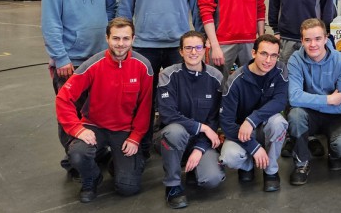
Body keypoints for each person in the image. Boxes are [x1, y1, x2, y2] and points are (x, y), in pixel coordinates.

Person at [118, 0, 202, 158]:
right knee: (143, 100)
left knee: (184, 98)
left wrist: (199, 39)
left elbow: (196, 6)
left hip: (179, 46)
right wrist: (123, 44)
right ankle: (141, 146)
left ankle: (184, 144)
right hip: (145, 46)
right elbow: (124, 8)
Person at [41, 0, 117, 176]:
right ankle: (74, 158)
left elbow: (111, 13)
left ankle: (97, 151)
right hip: (70, 62)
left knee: (97, 109)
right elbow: (50, 23)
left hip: (100, 60)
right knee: (71, 113)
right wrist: (61, 57)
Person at [55, 18, 153, 203]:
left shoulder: (143, 66)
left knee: (128, 188)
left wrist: (136, 137)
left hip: (124, 130)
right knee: (77, 153)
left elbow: (145, 106)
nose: (121, 44)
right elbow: (63, 98)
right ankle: (91, 178)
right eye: (116, 38)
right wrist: (78, 129)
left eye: (126, 38)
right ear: (107, 38)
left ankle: (116, 162)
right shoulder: (92, 65)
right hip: (94, 127)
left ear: (133, 39)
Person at [268, 0, 335, 160]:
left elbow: (328, 6)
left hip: (314, 43)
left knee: (313, 87)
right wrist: (275, 30)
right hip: (286, 40)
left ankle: (312, 136)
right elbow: (274, 3)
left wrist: (324, 38)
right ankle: (291, 136)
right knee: (287, 88)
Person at [155, 31, 225, 209]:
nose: (193, 52)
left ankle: (194, 166)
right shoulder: (168, 75)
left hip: (201, 141)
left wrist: (200, 148)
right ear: (180, 51)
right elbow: (167, 113)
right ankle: (172, 186)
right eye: (188, 48)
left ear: (205, 49)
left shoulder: (216, 78)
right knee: (175, 130)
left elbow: (214, 120)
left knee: (212, 179)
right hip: (171, 137)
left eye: (198, 47)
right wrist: (201, 127)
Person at [287, 18, 341, 185]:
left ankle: (334, 153)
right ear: (302, 40)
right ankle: (301, 163)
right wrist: (328, 99)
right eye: (308, 40)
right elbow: (294, 98)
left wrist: (309, 100)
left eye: (318, 39)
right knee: (295, 115)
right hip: (310, 116)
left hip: (337, 117)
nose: (313, 44)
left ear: (326, 38)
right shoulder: (295, 60)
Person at [219, 34, 288, 192]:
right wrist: (254, 147)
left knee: (279, 123)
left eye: (273, 55)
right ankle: (247, 165)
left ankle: (270, 171)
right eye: (264, 54)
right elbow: (226, 122)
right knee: (230, 156)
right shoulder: (235, 81)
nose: (268, 60)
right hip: (240, 132)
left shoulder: (280, 70)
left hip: (263, 126)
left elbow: (280, 101)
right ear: (254, 53)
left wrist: (252, 119)